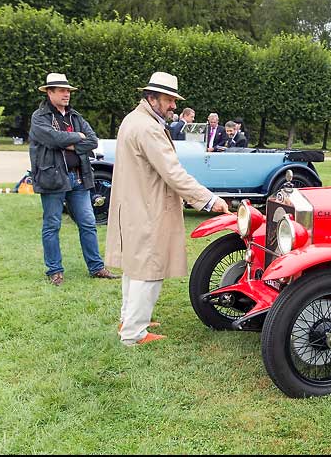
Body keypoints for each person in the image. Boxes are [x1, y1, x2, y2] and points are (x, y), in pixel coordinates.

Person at [105, 72, 229, 346]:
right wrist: (209, 200)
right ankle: (133, 334)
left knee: (134, 266)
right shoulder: (148, 127)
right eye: (169, 99)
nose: (173, 105)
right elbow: (173, 173)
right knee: (149, 269)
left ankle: (130, 319)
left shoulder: (134, 119)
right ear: (152, 97)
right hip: (148, 207)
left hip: (135, 203)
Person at [28, 73, 119, 285]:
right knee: (52, 225)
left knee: (88, 223)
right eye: (61, 90)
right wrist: (77, 138)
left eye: (68, 90)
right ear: (49, 92)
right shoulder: (39, 117)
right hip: (53, 178)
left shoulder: (75, 117)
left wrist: (69, 142)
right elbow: (51, 139)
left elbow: (93, 141)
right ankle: (54, 271)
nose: (66, 94)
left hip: (78, 178)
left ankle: (96, 268)